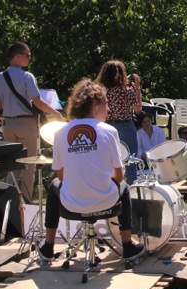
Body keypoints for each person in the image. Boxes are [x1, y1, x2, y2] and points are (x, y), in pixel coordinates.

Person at [40, 80, 141, 263]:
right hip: (106, 203)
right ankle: (127, 245)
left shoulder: (60, 133)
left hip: (71, 205)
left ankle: (48, 246)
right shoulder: (109, 131)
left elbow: (61, 177)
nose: (108, 109)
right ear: (95, 104)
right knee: (125, 187)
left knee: (54, 186)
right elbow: (119, 177)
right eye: (106, 104)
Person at [0, 41, 63, 197]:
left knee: (12, 164)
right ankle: (25, 201)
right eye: (27, 55)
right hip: (26, 123)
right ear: (16, 57)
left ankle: (9, 199)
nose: (29, 58)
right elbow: (37, 101)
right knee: (29, 164)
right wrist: (56, 114)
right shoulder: (26, 76)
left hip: (8, 123)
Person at [97, 60, 143, 184]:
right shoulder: (126, 91)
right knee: (130, 162)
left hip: (105, 128)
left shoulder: (100, 92)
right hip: (125, 126)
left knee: (107, 161)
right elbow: (138, 109)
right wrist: (137, 89)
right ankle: (132, 193)